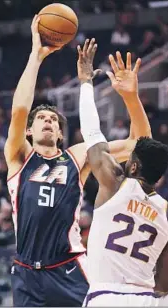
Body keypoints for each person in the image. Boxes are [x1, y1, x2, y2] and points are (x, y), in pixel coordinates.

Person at [4, 16, 151, 307]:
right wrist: (36, 55)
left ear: (60, 133)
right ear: (29, 132)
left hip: (70, 270)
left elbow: (141, 146)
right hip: (25, 275)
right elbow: (20, 109)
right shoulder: (19, 158)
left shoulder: (77, 156)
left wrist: (131, 98)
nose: (47, 121)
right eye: (40, 119)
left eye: (53, 120)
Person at [78, 39, 168, 307]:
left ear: (134, 166)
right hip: (149, 299)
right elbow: (163, 280)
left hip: (105, 297)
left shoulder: (115, 183)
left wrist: (85, 82)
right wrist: (131, 97)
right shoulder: (165, 210)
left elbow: (92, 134)